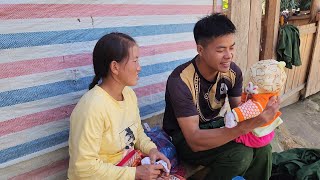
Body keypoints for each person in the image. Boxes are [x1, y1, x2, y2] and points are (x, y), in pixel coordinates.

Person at [162, 13, 280, 180]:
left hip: (216, 124)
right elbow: (194, 140)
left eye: (231, 47)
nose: (229, 55)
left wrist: (261, 106)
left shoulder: (233, 72)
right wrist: (246, 127)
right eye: (221, 49)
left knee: (263, 147)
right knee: (241, 155)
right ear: (200, 50)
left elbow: (239, 110)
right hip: (183, 138)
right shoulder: (180, 81)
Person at [68, 32, 171, 180]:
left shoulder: (128, 94)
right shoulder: (91, 107)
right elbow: (83, 168)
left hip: (126, 166)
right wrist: (136, 173)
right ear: (115, 67)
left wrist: (151, 150)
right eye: (134, 61)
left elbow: (137, 133)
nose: (139, 67)